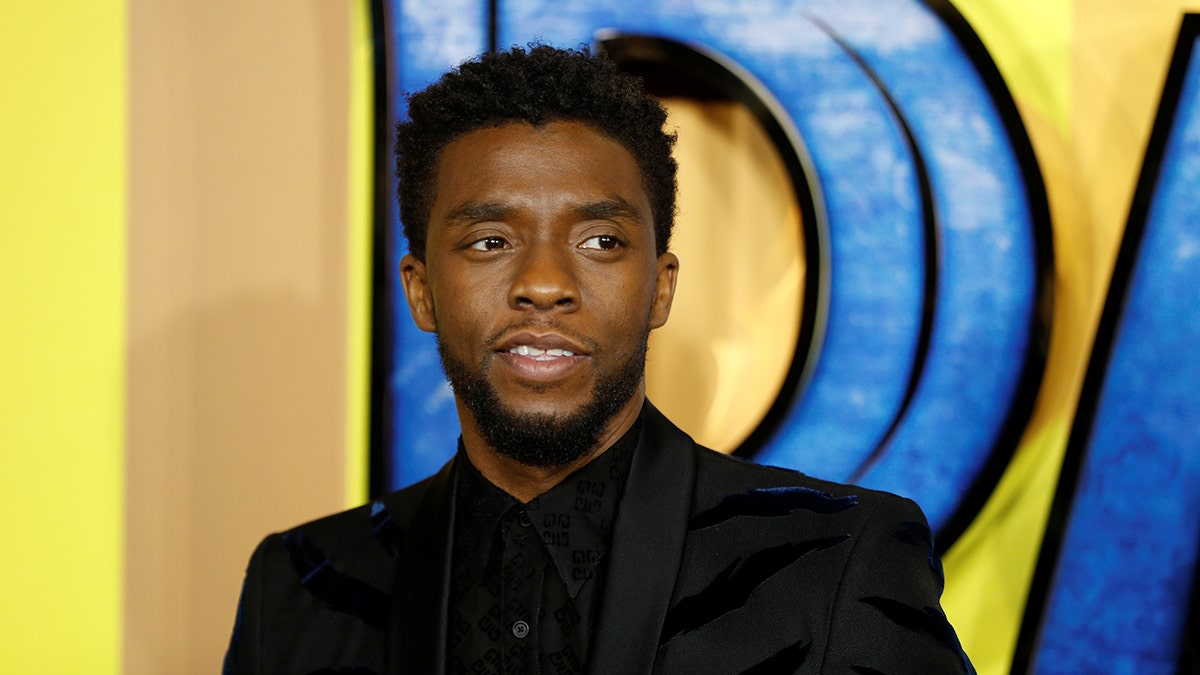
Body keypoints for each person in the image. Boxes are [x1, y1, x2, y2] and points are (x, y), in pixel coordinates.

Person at [223, 44, 973, 675]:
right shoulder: (302, 583)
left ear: (660, 287)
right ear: (421, 291)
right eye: (490, 241)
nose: (544, 284)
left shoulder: (837, 559)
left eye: (599, 242)